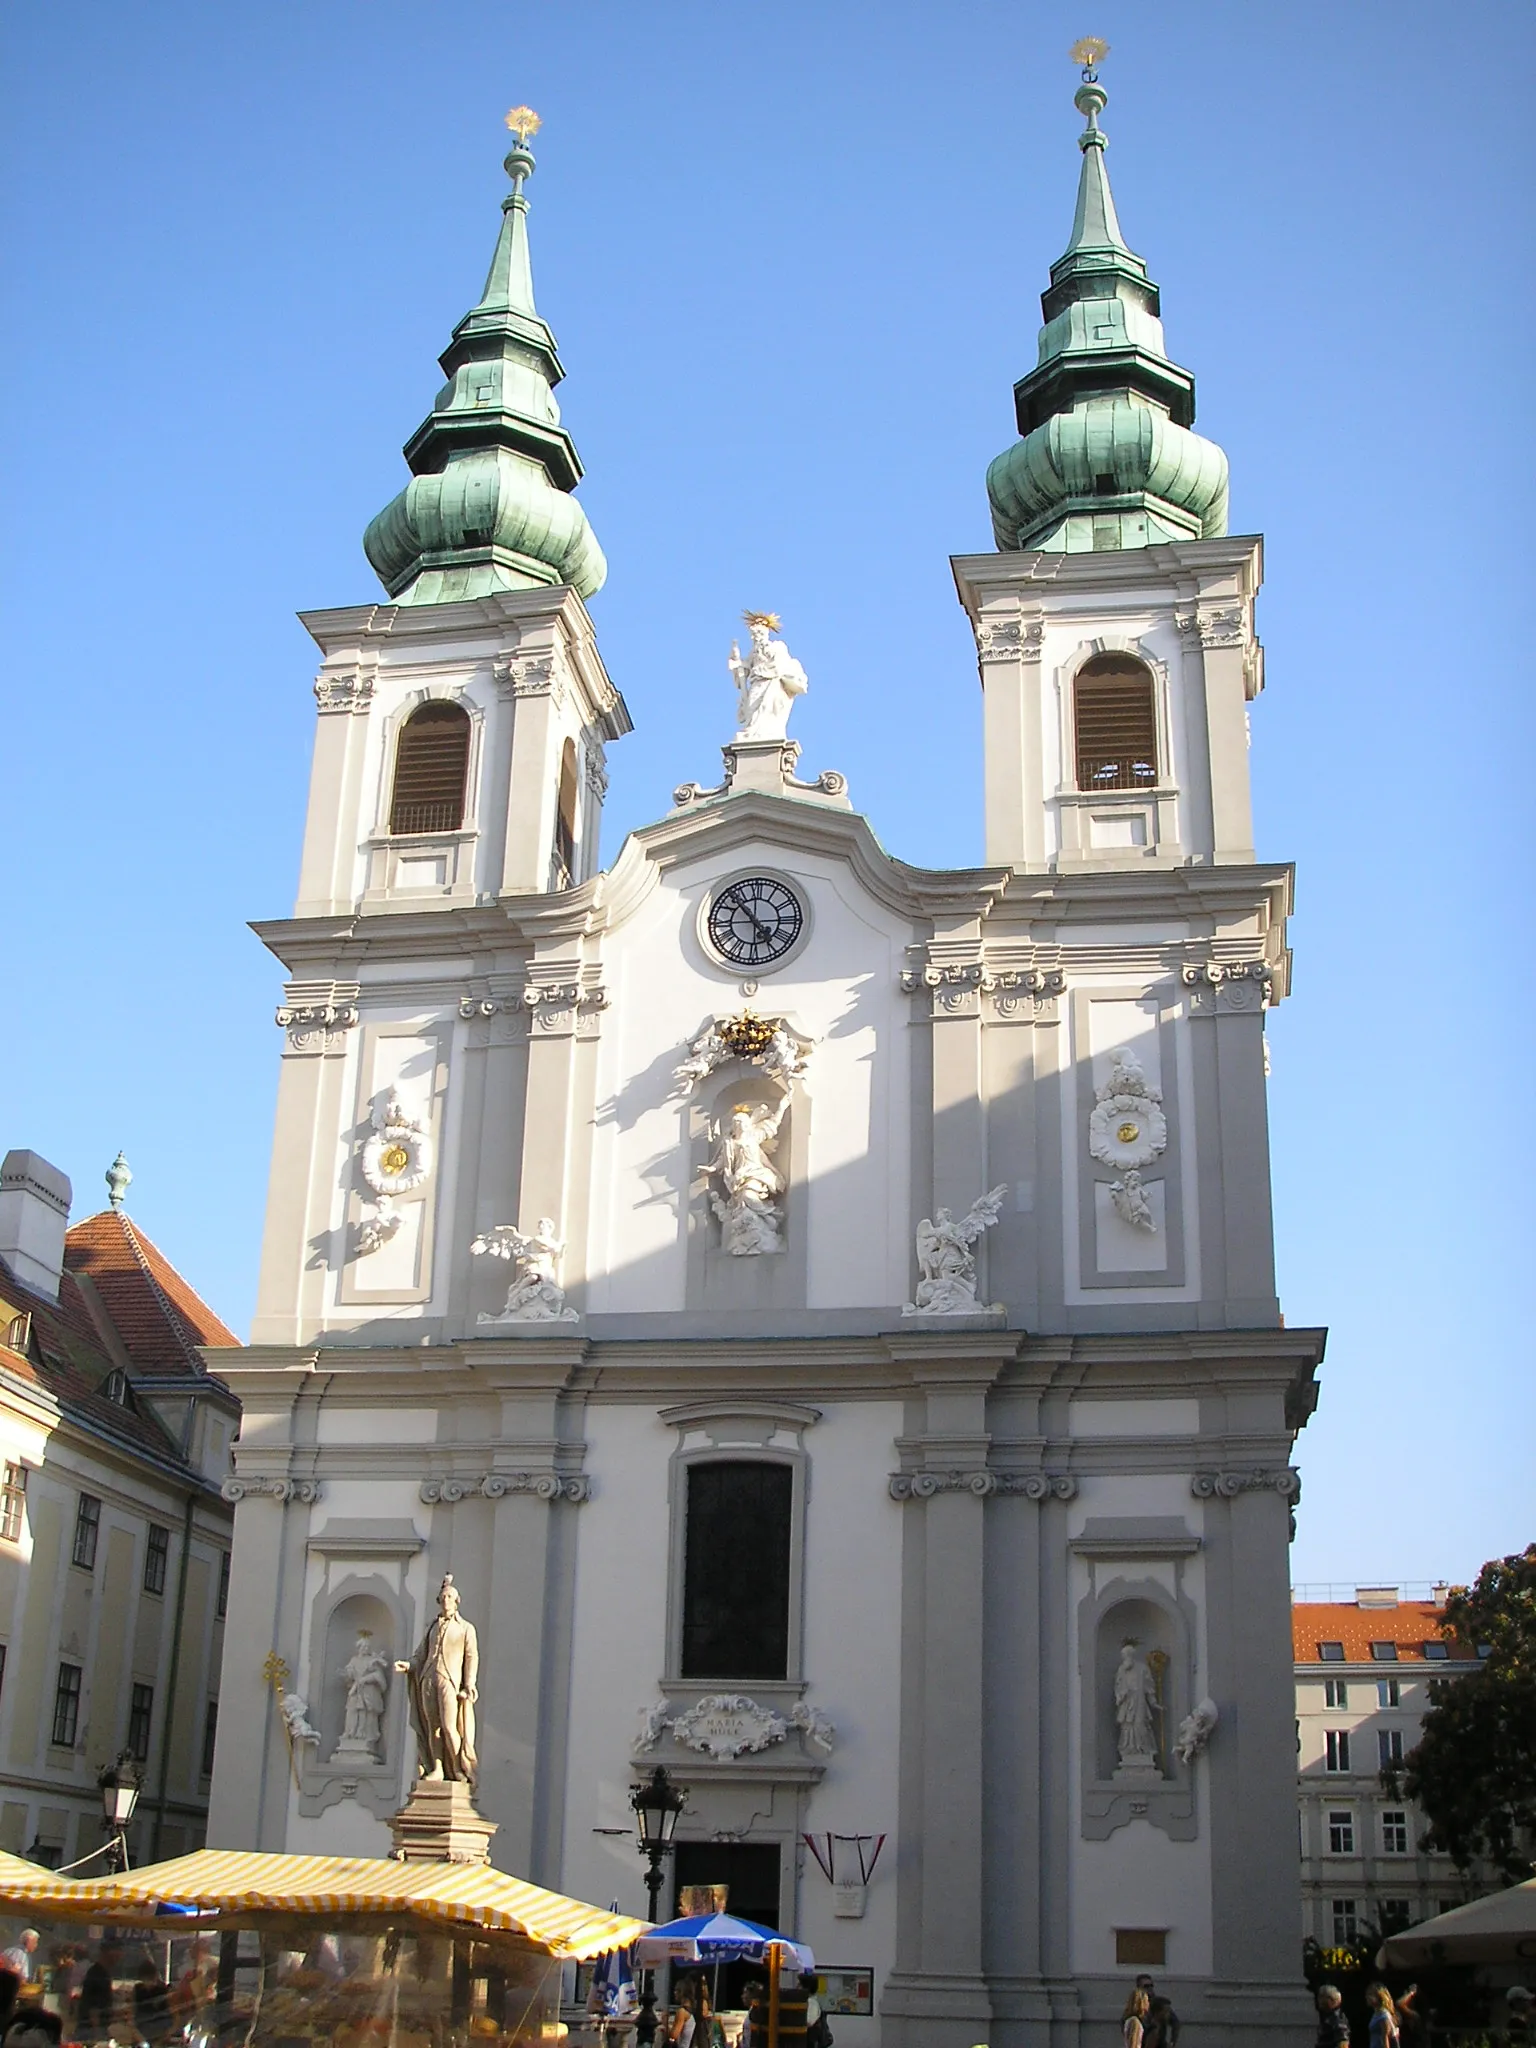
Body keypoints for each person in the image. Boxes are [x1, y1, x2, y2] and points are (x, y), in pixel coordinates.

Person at [76, 1945, 118, 2038]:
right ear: (107, 1954)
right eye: (116, 1956)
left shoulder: (103, 1973)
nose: (118, 1959)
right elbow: (93, 2006)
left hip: (96, 2026)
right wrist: (97, 2032)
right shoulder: (98, 1974)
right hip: (91, 2028)